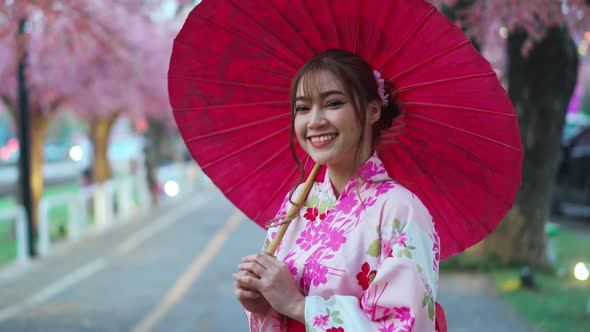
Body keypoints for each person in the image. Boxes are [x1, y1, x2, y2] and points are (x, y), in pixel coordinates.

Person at [233, 49, 441, 331]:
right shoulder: (297, 203)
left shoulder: (400, 209)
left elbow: (405, 325)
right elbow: (279, 305)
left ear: (372, 110)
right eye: (303, 108)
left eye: (332, 103)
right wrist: (263, 306)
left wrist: (297, 305)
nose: (314, 121)